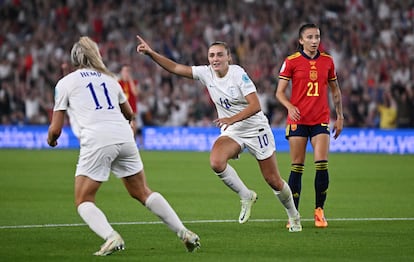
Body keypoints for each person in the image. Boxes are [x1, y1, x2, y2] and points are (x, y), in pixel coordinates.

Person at [47, 36, 200, 256]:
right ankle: (184, 232)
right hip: (124, 136)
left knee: (83, 199)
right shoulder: (111, 79)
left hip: (97, 138)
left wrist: (51, 140)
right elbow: (129, 113)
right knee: (143, 192)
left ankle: (111, 237)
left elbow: (56, 129)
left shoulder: (65, 83)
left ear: (73, 59)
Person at [136, 35, 302, 232]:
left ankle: (294, 216)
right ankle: (245, 195)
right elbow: (175, 68)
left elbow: (256, 106)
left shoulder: (238, 74)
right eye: (212, 55)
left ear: (229, 58)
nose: (215, 59)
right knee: (216, 161)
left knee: (273, 179)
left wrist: (232, 119)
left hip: (255, 128)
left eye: (220, 55)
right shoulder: (206, 73)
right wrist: (151, 53)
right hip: (233, 129)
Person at [275, 23, 344, 228]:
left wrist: (340, 116)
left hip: (320, 119)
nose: (315, 41)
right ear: (301, 40)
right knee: (297, 166)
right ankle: (293, 215)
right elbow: (279, 92)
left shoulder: (328, 61)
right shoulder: (291, 61)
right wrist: (289, 106)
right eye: (310, 37)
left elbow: (336, 91)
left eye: (317, 37)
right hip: (298, 120)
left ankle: (319, 212)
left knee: (322, 163)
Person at [118, 64, 140, 137]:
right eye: (125, 71)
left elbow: (135, 93)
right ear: (121, 72)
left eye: (128, 71)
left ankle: (133, 144)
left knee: (133, 128)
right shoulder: (118, 83)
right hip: (122, 109)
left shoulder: (134, 82)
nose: (126, 73)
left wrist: (130, 80)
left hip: (132, 110)